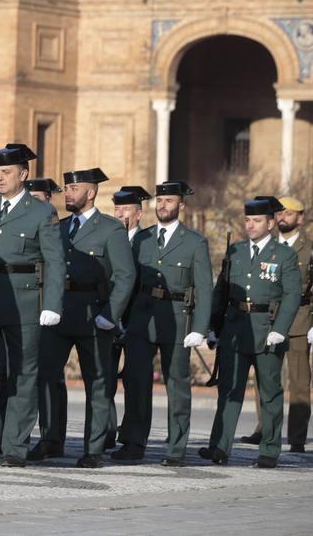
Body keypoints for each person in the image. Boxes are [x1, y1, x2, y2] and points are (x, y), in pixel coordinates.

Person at [0, 143, 65, 466]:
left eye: (6, 172)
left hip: (24, 299)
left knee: (22, 373)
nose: (0, 177)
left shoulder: (41, 212)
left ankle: (14, 445)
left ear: (24, 174)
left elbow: (55, 261)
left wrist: (52, 303)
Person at [32, 168, 135, 468]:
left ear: (91, 193)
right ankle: (50, 440)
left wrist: (110, 315)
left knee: (97, 383)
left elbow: (125, 276)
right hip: (59, 311)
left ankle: (94, 448)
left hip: (93, 312)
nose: (69, 193)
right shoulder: (58, 227)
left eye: (75, 188)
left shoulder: (110, 229)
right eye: (67, 188)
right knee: (47, 377)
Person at [114, 181, 211, 465]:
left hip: (177, 317)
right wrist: (122, 317)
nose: (163, 206)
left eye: (169, 201)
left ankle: (176, 447)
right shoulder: (141, 239)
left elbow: (204, 288)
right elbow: (127, 280)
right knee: (135, 382)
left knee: (177, 384)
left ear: (181, 205)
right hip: (141, 319)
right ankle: (133, 443)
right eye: (160, 201)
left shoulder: (195, 242)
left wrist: (200, 328)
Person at [204, 197, 302, 468]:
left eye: (256, 220)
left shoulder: (284, 255)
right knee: (229, 390)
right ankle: (219, 448)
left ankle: (269, 450)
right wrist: (214, 326)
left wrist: (280, 329)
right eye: (247, 220)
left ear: (270, 223)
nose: (250, 225)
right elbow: (220, 292)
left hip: (267, 329)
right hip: (235, 328)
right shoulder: (234, 251)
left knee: (269, 392)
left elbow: (292, 295)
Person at [241, 196, 309, 453]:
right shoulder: (262, 245)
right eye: (279, 213)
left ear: (300, 218)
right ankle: (264, 429)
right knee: (265, 379)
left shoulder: (308, 248)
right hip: (266, 320)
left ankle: (297, 438)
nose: (283, 218)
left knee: (299, 382)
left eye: (289, 214)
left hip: (300, 321)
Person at [104, 185, 154, 450]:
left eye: (126, 210)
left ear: (139, 213)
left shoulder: (148, 241)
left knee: (136, 381)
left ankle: (134, 439)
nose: (121, 214)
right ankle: (106, 432)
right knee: (105, 378)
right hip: (111, 317)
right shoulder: (109, 236)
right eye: (117, 209)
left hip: (140, 320)